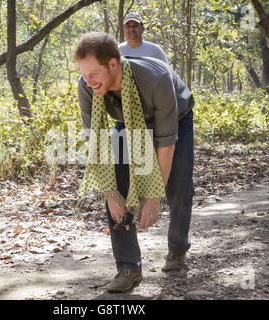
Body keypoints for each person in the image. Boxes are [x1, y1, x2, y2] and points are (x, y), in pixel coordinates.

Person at [74, 32, 195, 293]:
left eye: (93, 73)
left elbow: (166, 144)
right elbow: (96, 145)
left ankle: (177, 250)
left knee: (178, 188)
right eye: (83, 73)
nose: (87, 80)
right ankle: (128, 267)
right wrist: (109, 193)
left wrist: (152, 197)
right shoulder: (87, 87)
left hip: (176, 116)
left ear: (113, 65)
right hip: (127, 119)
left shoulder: (156, 79)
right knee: (115, 185)